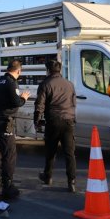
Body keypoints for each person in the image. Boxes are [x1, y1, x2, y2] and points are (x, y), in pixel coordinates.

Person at [0, 59, 30, 199]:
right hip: (4, 122)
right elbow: (15, 102)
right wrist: (23, 98)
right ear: (18, 71)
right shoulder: (12, 82)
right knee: (9, 154)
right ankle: (8, 186)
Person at [33, 60, 77, 192]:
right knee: (70, 153)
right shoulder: (69, 84)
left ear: (48, 70)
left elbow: (40, 104)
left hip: (53, 121)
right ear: (59, 70)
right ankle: (72, 182)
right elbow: (73, 103)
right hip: (68, 121)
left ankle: (48, 176)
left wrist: (37, 120)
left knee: (50, 151)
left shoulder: (45, 84)